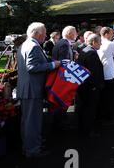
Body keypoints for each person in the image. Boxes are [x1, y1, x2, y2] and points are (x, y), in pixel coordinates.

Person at [17, 22, 61, 158]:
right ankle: (32, 150)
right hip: (32, 90)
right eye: (44, 33)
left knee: (28, 121)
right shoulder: (33, 46)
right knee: (33, 122)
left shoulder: (27, 44)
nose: (46, 36)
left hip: (28, 89)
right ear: (36, 33)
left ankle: (29, 147)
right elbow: (32, 67)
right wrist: (53, 64)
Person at [76, 34, 105, 138]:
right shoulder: (92, 53)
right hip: (90, 87)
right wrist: (96, 86)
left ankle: (83, 129)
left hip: (84, 86)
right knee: (90, 109)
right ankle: (88, 131)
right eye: (99, 42)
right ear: (94, 42)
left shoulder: (84, 51)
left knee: (84, 108)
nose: (101, 44)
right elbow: (94, 72)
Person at [51, 26, 78, 130]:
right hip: (62, 78)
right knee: (61, 102)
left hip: (59, 77)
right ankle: (62, 124)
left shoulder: (63, 43)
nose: (76, 35)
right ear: (69, 34)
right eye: (75, 33)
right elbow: (64, 63)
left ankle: (61, 123)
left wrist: (73, 53)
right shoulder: (65, 44)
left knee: (59, 103)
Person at [97, 27, 114, 126]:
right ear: (106, 34)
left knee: (103, 97)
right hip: (110, 73)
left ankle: (103, 116)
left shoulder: (98, 43)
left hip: (101, 72)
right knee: (111, 97)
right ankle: (110, 117)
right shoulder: (111, 44)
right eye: (111, 33)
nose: (112, 35)